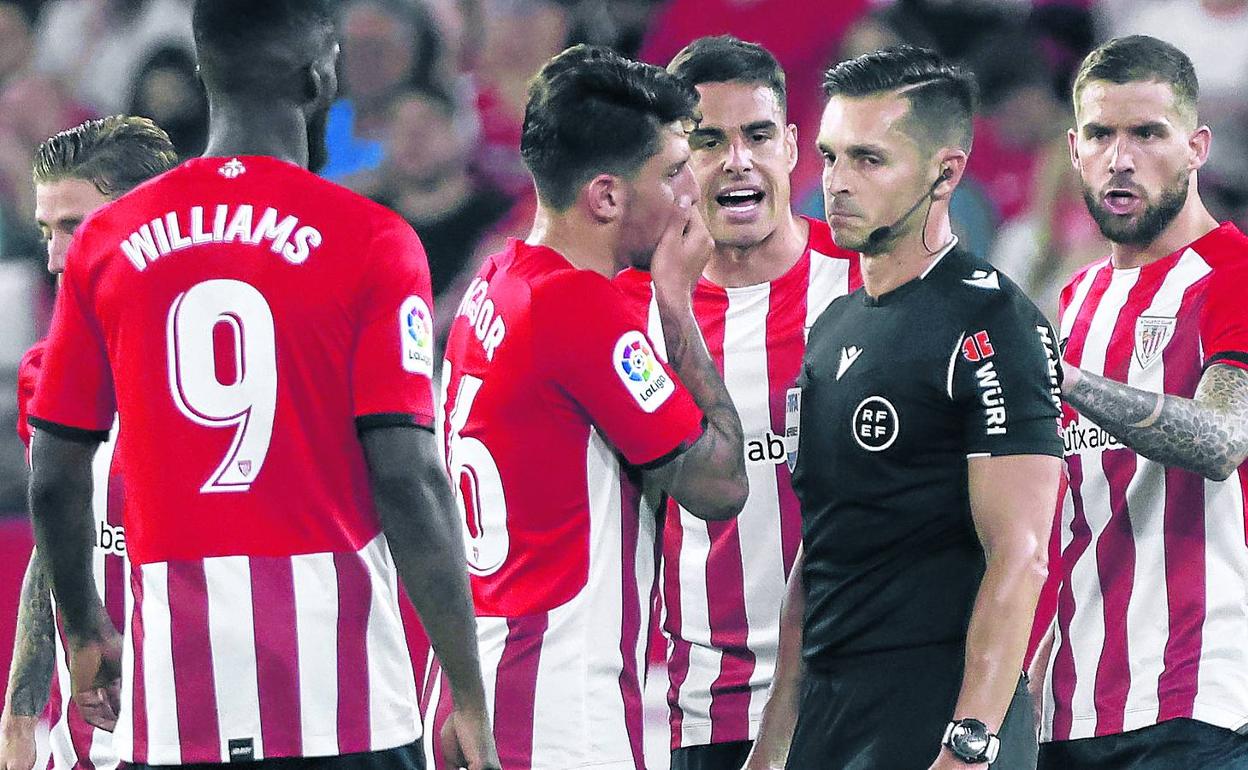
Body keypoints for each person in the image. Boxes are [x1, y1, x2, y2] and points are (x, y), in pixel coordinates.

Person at [24, 1, 500, 768]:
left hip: (178, 708)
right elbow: (408, 479)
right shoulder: (373, 239)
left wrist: (84, 631)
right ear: (320, 77)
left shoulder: (108, 243)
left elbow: (52, 475)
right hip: (345, 707)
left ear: (207, 76)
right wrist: (468, 689)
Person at [431, 44, 748, 770]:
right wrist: (677, 307)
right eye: (672, 173)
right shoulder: (578, 308)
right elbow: (720, 485)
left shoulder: (500, 277)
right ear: (606, 196)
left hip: (491, 671)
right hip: (560, 703)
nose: (690, 194)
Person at [746, 45, 1064, 769]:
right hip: (831, 713)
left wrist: (971, 742)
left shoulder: (993, 325)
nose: (836, 183)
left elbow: (1021, 555)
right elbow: (821, 548)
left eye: (868, 160)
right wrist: (774, 739)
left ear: (945, 172)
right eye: (829, 157)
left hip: (937, 709)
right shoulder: (831, 330)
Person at [613, 36, 860, 770]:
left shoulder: (865, 289)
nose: (737, 161)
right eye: (707, 141)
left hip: (855, 695)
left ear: (792, 146)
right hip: (704, 709)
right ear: (674, 164)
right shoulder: (629, 314)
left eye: (756, 136)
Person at [1032, 35, 1248, 769]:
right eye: (1100, 134)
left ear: (1195, 147)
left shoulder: (1233, 276)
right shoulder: (1076, 300)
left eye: (1148, 134)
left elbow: (1223, 439)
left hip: (1198, 702)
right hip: (1071, 705)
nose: (1121, 158)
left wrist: (1067, 381)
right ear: (1073, 148)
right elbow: (1066, 504)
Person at [1, 115, 178, 770]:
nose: (52, 256)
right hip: (92, 742)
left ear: (148, 221)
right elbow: (58, 539)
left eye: (74, 226)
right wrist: (21, 712)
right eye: (46, 231)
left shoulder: (224, 371)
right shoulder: (45, 373)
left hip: (216, 725)